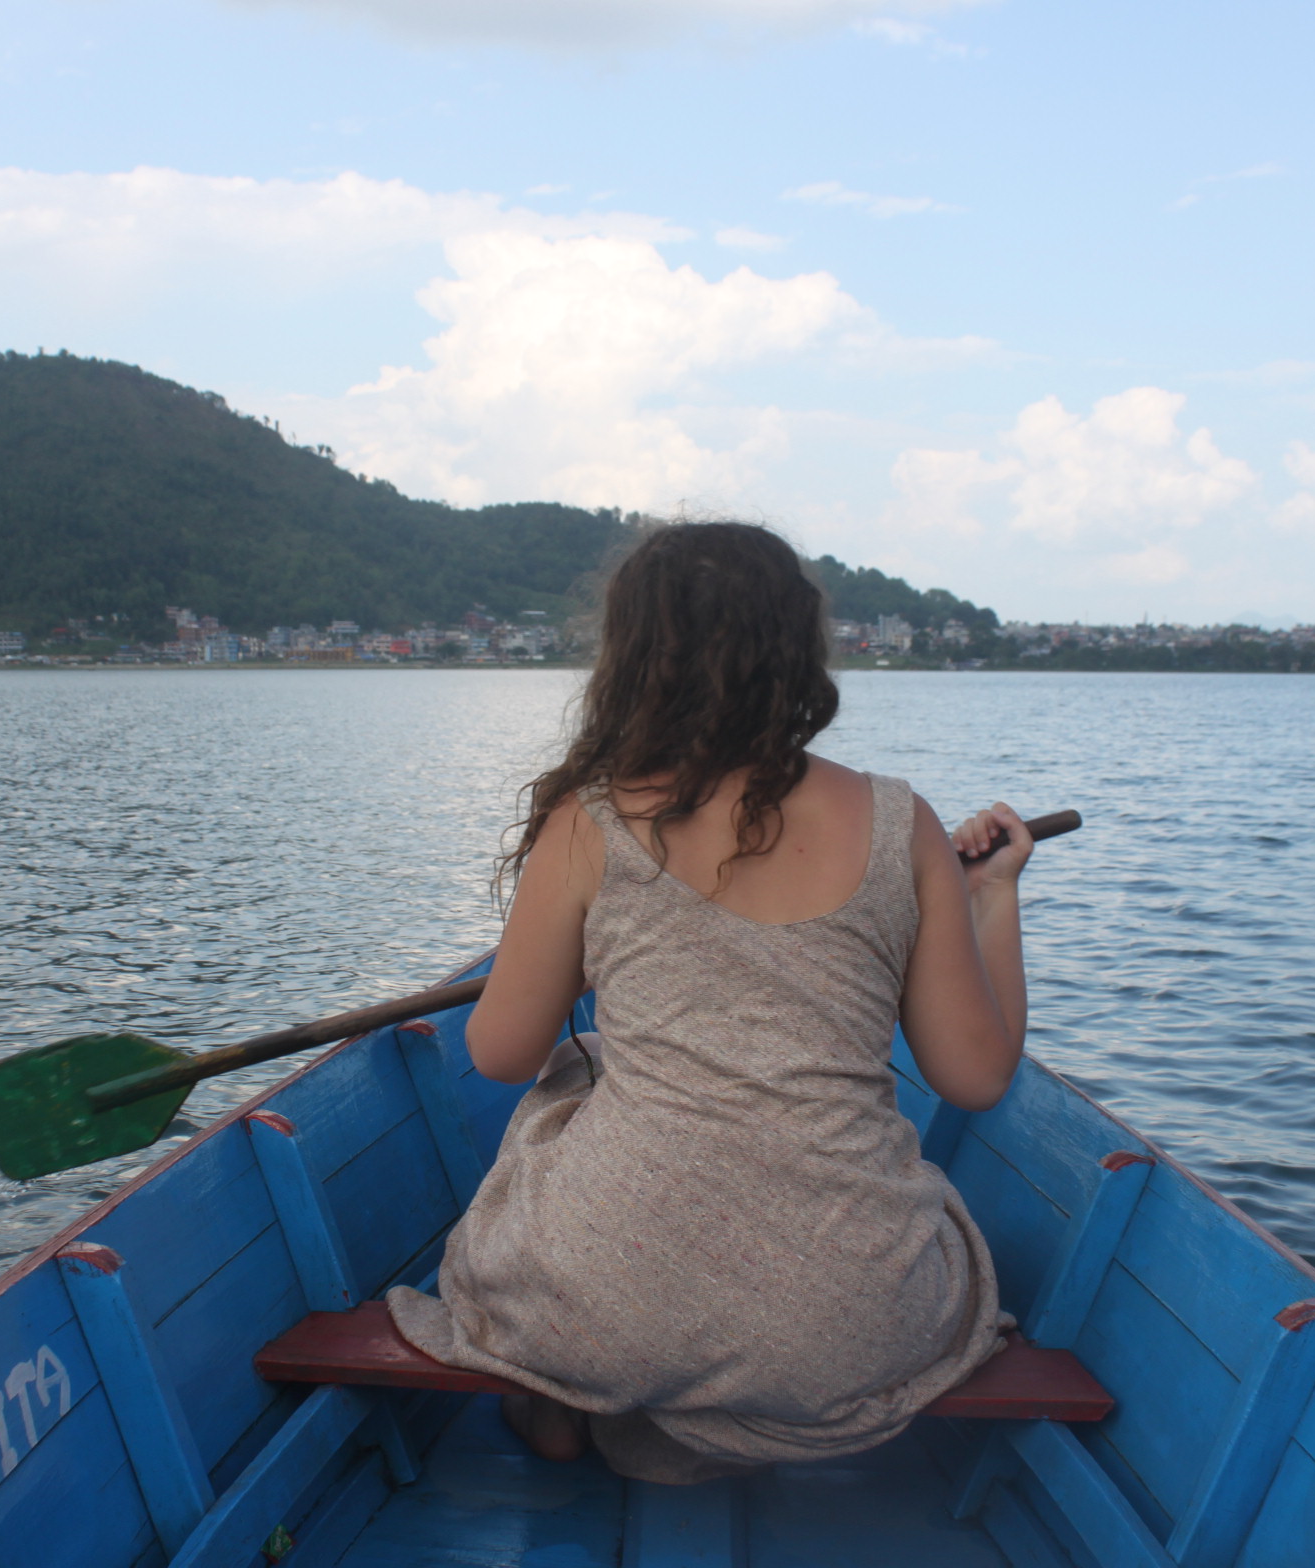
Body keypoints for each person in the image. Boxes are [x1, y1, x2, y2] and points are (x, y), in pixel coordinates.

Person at [386, 521, 1032, 1485]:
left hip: (601, 1304)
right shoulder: (906, 823)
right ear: (797, 649)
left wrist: (581, 962)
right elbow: (976, 1077)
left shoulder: (589, 821)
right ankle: (711, 1415)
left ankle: (566, 1397)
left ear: (632, 657)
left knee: (564, 1088)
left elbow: (501, 1054)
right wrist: (993, 895)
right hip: (853, 1322)